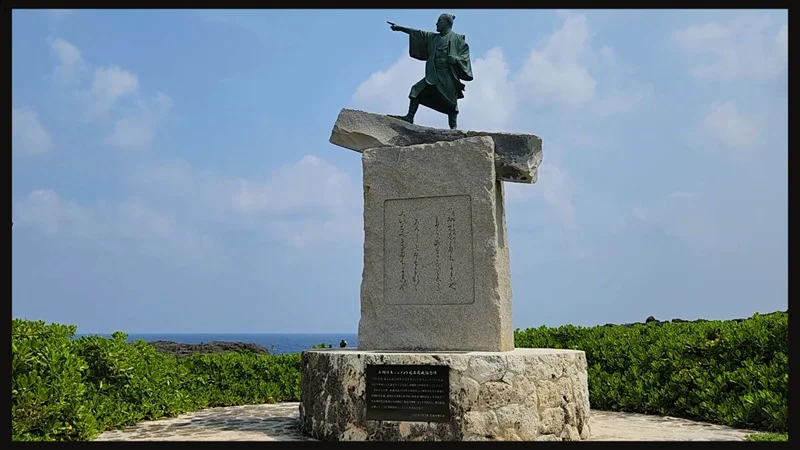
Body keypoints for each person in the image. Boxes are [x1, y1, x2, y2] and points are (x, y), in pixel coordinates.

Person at [387, 14, 473, 130]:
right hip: (433, 74)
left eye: (439, 21)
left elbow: (464, 57)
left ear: (447, 23)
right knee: (415, 89)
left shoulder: (457, 39)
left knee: (451, 102)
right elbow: (417, 33)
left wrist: (455, 59)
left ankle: (454, 128)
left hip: (447, 74)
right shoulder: (433, 38)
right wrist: (399, 28)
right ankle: (410, 116)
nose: (436, 24)